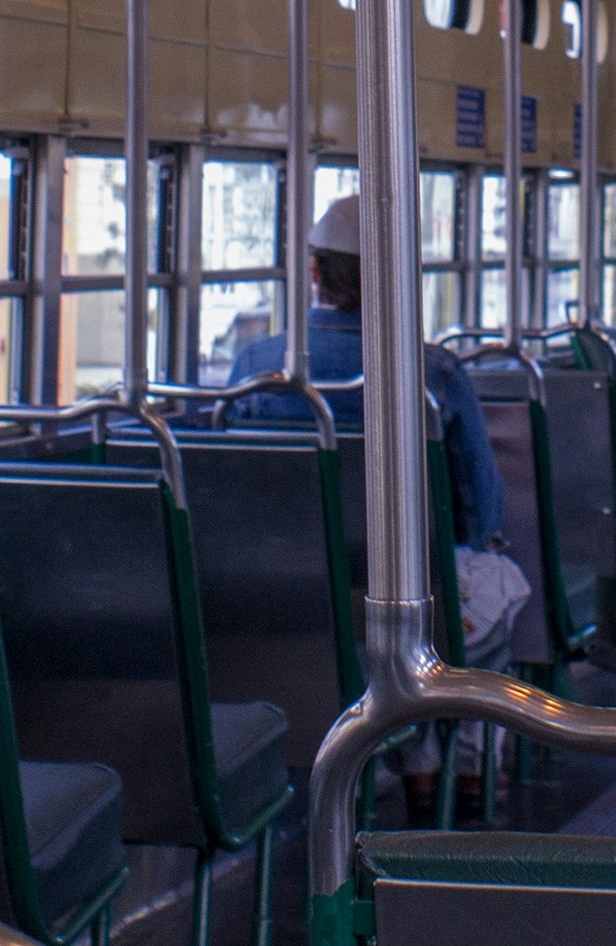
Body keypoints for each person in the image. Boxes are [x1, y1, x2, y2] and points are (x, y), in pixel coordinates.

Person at [228, 195, 528, 818]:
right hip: (407, 599)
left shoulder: (259, 369)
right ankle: (460, 766)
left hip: (275, 599)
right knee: (491, 596)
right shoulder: (432, 372)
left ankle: (420, 759)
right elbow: (481, 509)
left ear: (314, 273)